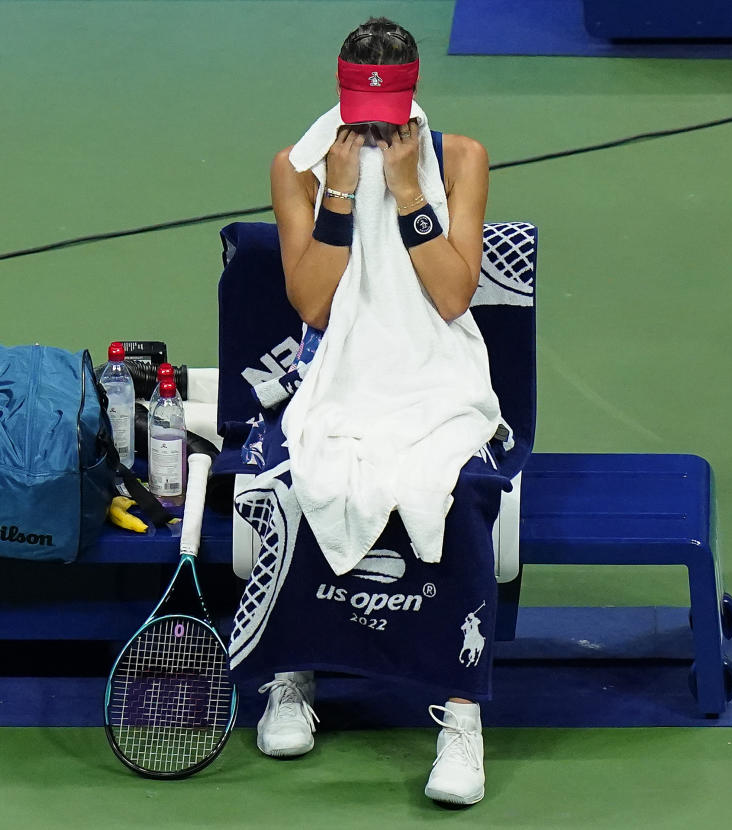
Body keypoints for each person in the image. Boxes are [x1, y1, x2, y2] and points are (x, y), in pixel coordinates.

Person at [252, 17, 496, 807]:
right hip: (346, 372)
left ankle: (461, 720)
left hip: (437, 374)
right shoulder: (297, 168)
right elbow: (317, 305)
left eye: (386, 117)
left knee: (452, 491)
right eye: (360, 112)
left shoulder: (460, 159)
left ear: (413, 96)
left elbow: (454, 294)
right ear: (340, 90)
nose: (372, 128)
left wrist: (408, 192)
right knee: (301, 474)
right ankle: (289, 678)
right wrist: (344, 193)